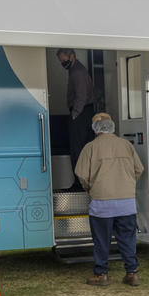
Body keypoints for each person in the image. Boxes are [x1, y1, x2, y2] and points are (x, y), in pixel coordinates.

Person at [75, 112, 145, 286]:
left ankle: (101, 275)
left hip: (101, 203)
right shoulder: (126, 145)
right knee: (127, 239)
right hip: (126, 203)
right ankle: (132, 273)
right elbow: (139, 169)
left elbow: (81, 174)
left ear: (95, 128)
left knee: (101, 240)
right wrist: (127, 184)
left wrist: (88, 187)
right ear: (112, 126)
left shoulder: (90, 148)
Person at [57, 48, 96, 190]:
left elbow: (81, 96)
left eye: (64, 60)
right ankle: (81, 181)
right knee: (79, 148)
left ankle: (79, 183)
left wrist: (75, 114)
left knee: (77, 149)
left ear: (72, 56)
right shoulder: (75, 70)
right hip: (83, 112)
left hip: (81, 113)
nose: (63, 63)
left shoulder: (78, 72)